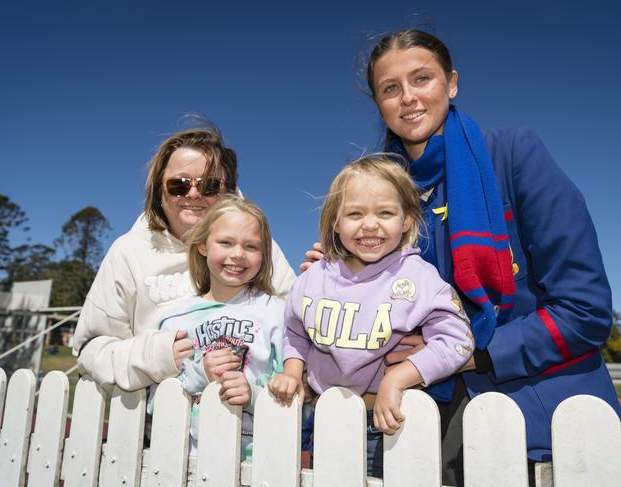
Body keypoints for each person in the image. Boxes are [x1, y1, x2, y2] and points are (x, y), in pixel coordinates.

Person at [303, 29, 621, 486]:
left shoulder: (513, 156)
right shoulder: (375, 197)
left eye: (422, 79)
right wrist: (341, 279)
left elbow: (585, 312)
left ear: (451, 84)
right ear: (378, 103)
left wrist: (464, 354)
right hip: (416, 422)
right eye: (391, 88)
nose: (408, 98)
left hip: (540, 416)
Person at [270, 156, 474, 478]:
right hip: (325, 417)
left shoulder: (419, 277)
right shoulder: (313, 278)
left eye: (385, 212)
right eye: (354, 213)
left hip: (389, 422)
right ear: (335, 222)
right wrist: (293, 372)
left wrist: (399, 377)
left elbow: (458, 339)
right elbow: (296, 332)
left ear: (407, 220)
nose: (369, 224)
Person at [73, 125, 296, 392]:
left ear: (228, 191)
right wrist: (158, 356)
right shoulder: (128, 252)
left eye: (210, 185)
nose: (193, 194)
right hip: (158, 425)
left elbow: (296, 324)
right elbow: (90, 351)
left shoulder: (256, 248)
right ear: (159, 191)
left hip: (253, 424)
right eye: (178, 185)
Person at [151, 196, 285, 460]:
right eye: (225, 242)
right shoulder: (174, 320)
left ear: (264, 255)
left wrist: (252, 395)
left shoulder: (277, 313)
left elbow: (294, 393)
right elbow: (157, 402)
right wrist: (202, 374)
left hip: (259, 463)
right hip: (187, 462)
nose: (237, 254)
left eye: (251, 246)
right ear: (202, 245)